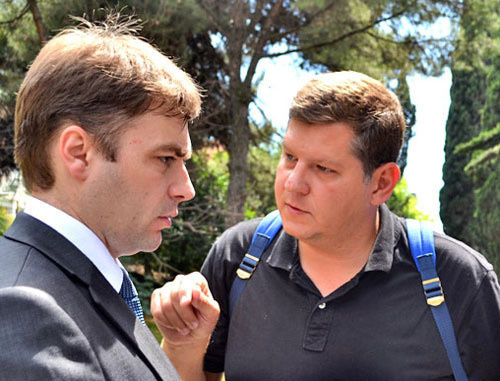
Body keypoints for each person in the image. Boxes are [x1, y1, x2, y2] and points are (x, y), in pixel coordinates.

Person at [151, 71, 500, 381]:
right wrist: (183, 345)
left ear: (381, 184)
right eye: (289, 157)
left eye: (323, 169)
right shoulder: (239, 256)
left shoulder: (457, 280)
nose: (293, 184)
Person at [0, 14, 203, 380]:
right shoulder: (25, 312)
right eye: (165, 159)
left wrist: (183, 348)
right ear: (78, 153)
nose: (185, 189)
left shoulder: (82, 285)